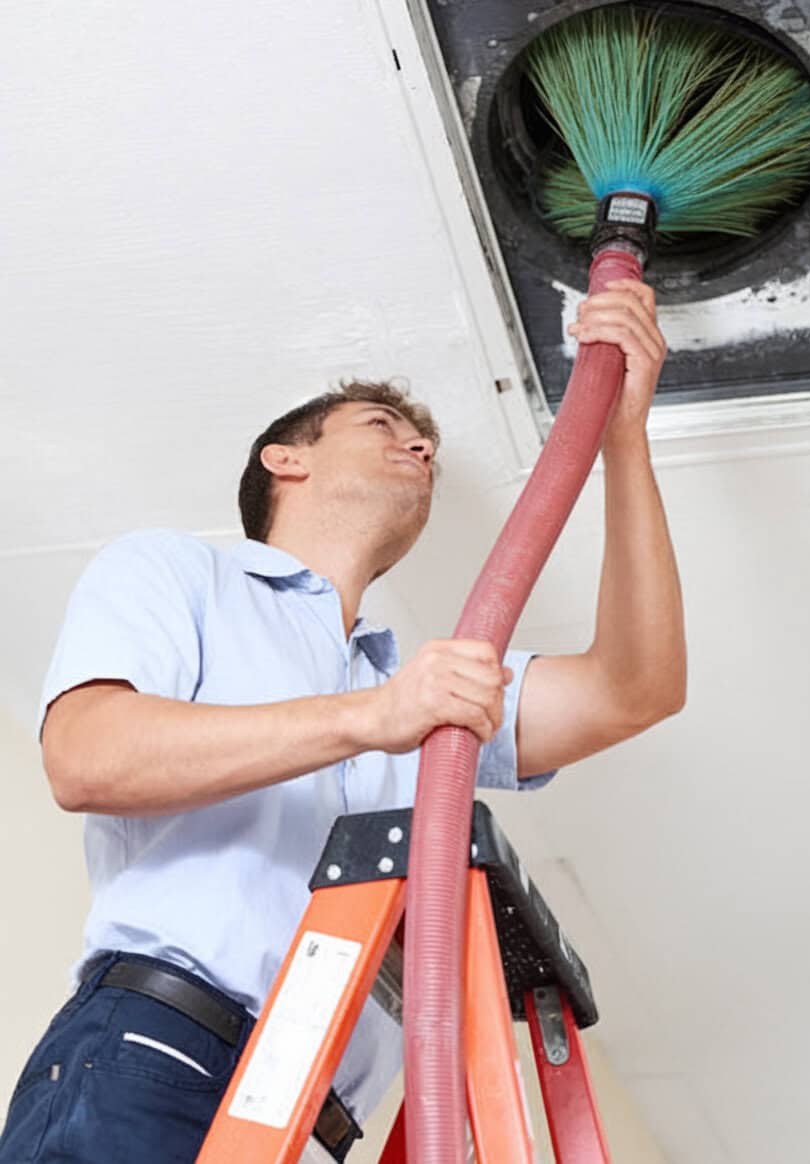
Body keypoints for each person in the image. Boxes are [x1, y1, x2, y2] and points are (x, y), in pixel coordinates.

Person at [0, 279, 685, 1163]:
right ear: (286, 458)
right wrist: (375, 716)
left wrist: (624, 436)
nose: (423, 443)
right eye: (380, 425)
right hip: (160, 1055)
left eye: (424, 439)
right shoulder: (178, 574)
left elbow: (636, 688)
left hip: (312, 1126)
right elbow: (86, 758)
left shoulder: (427, 685)